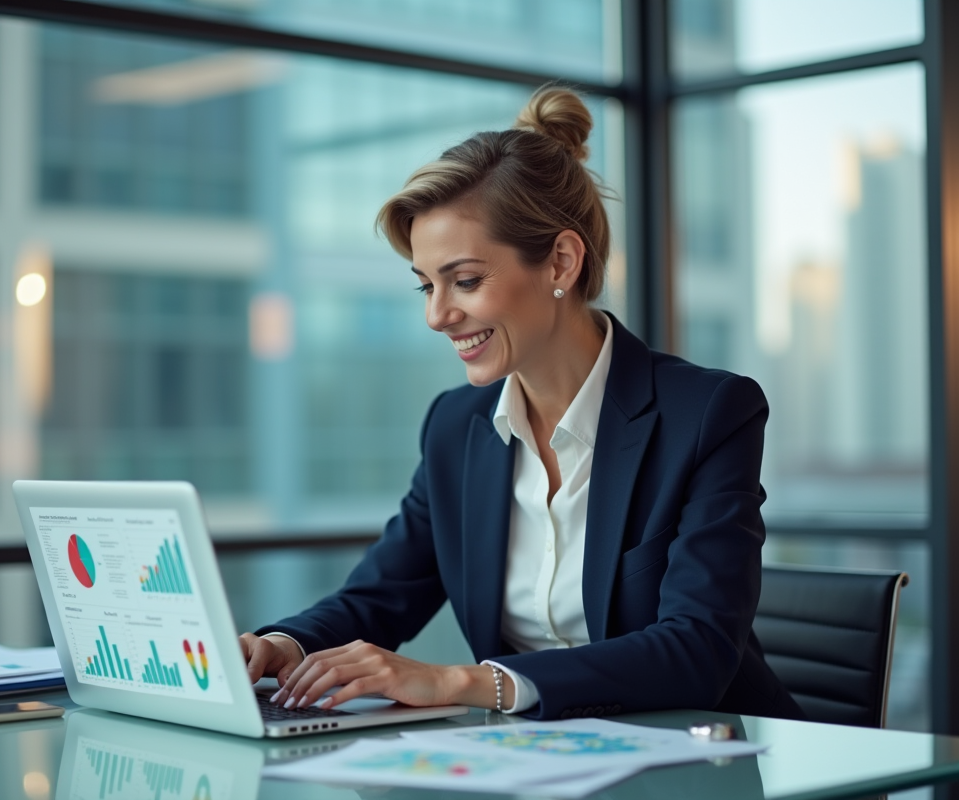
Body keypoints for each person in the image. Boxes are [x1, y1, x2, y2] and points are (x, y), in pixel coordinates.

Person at [239, 85, 804, 721]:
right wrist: (277, 646)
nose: (437, 315)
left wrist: (468, 683)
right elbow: (380, 595)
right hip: (543, 764)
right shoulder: (457, 427)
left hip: (707, 758)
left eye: (466, 281)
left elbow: (696, 651)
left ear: (561, 261)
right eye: (427, 286)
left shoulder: (708, 414)